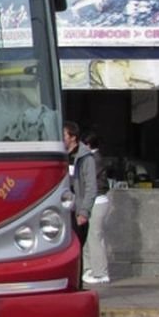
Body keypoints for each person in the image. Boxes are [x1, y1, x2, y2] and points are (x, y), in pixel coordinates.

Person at [81, 131, 111, 284]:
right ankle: (90, 269)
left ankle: (100, 273)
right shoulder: (92, 158)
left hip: (98, 201)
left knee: (95, 237)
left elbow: (88, 179)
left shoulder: (94, 159)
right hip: (93, 201)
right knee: (89, 237)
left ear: (88, 145)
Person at [62, 121, 97, 255]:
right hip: (63, 209)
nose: (61, 138)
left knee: (76, 250)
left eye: (64, 135)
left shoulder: (85, 158)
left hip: (76, 210)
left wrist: (84, 212)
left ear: (73, 137)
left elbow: (91, 187)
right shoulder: (61, 155)